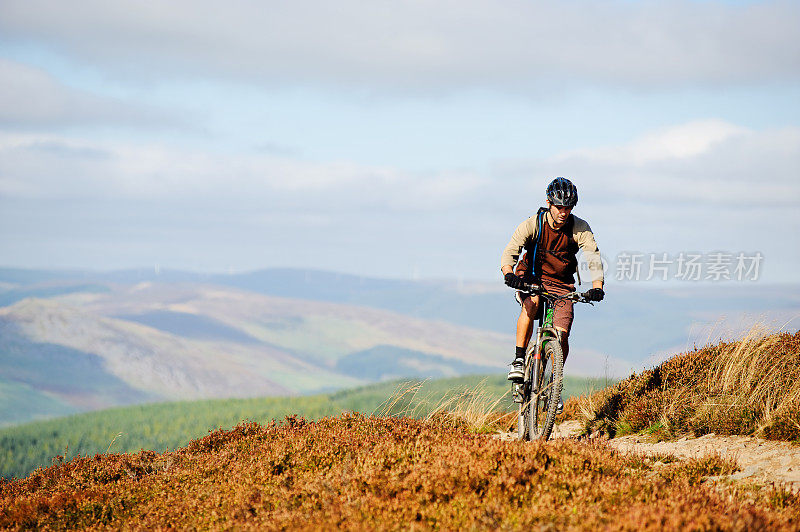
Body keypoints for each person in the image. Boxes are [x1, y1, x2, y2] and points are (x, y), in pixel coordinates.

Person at [500, 177, 604, 411]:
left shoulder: (579, 227)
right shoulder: (533, 224)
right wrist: (509, 273)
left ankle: (553, 384)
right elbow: (511, 251)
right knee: (533, 302)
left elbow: (593, 257)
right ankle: (519, 359)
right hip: (532, 278)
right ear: (549, 203)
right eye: (559, 207)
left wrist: (597, 286)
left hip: (562, 285)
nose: (563, 212)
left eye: (568, 208)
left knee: (562, 335)